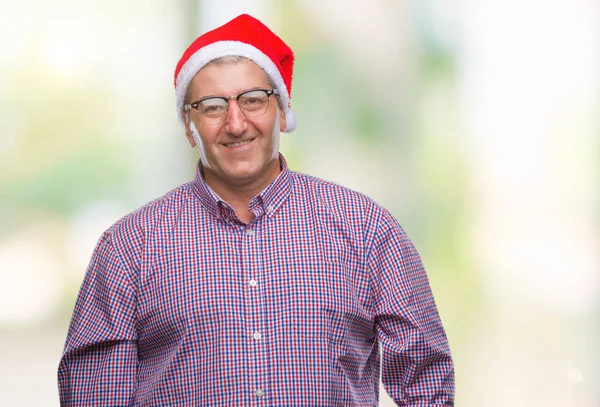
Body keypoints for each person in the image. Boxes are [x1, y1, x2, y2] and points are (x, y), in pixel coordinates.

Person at [58, 14, 455, 406]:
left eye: (253, 100)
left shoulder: (366, 227)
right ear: (187, 124)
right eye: (213, 106)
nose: (236, 123)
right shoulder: (129, 247)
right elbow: (93, 395)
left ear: (281, 112)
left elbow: (427, 379)